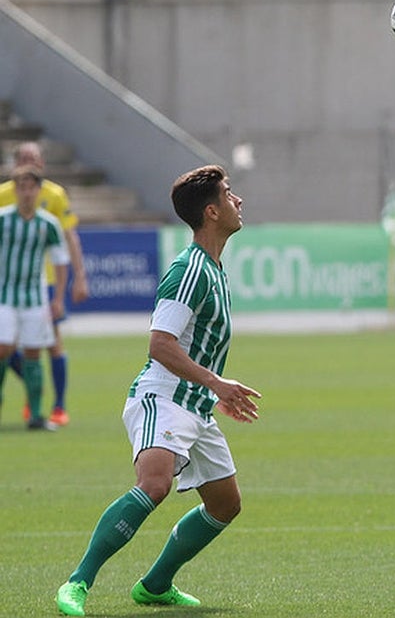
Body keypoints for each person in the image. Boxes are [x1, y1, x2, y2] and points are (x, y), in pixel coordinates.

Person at [56, 165, 262, 617]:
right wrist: (217, 384)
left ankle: (155, 585)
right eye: (230, 195)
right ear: (211, 212)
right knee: (154, 484)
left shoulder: (214, 269)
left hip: (196, 405)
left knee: (226, 504)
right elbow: (160, 344)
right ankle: (77, 583)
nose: (238, 201)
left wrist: (213, 393)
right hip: (163, 396)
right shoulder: (189, 270)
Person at [0, 140, 89, 426]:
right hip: (5, 289)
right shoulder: (3, 200)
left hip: (41, 287)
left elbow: (69, 238)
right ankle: (32, 402)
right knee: (5, 347)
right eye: (24, 158)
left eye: (34, 158)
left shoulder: (54, 199)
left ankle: (51, 408)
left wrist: (77, 279)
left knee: (46, 346)